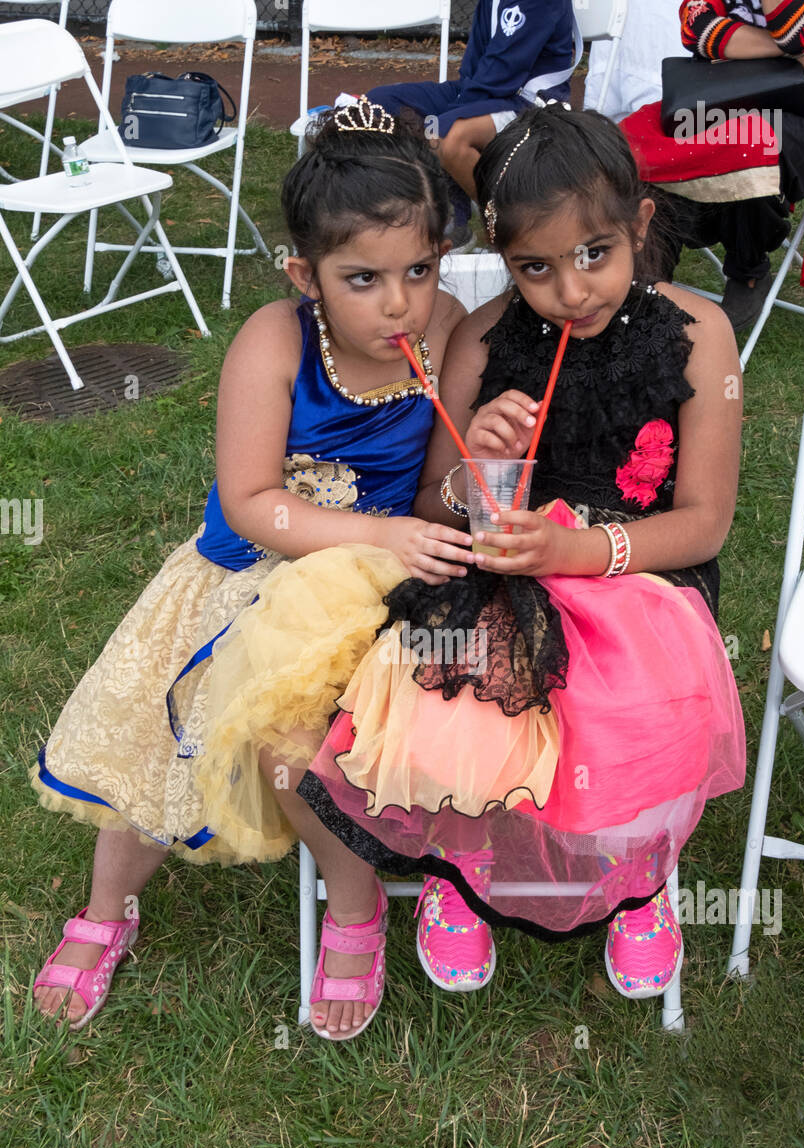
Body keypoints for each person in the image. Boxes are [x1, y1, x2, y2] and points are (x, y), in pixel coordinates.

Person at [288, 104, 747, 1018]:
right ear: (503, 259)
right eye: (535, 267)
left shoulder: (700, 334)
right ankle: (462, 867)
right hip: (501, 572)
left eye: (594, 255)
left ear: (642, 226)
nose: (570, 291)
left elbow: (702, 526)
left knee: (628, 698)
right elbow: (433, 503)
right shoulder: (487, 340)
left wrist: (576, 550)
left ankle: (639, 875)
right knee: (454, 688)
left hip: (637, 576)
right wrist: (473, 469)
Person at [30, 101, 471, 1036]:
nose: (399, 303)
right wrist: (376, 534)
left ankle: (356, 907)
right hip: (250, 573)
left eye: (420, 270)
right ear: (303, 275)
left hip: (378, 588)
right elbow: (250, 502)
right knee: (165, 734)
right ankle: (107, 910)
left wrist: (467, 475)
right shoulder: (274, 342)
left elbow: (440, 488)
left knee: (299, 749)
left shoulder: (446, 334)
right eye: (363, 279)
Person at [647, 1, 804, 330]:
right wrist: (801, 56)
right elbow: (698, 28)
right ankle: (650, 274)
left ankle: (747, 266)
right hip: (720, 95)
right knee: (643, 141)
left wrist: (783, 45)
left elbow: (799, 30)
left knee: (753, 144)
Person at [366, 0, 580, 249]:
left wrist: (451, 113)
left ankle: (509, 229)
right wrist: (455, 105)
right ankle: (451, 209)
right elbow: (475, 69)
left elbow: (505, 70)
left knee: (446, 137)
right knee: (380, 104)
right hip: (482, 90)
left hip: (529, 102)